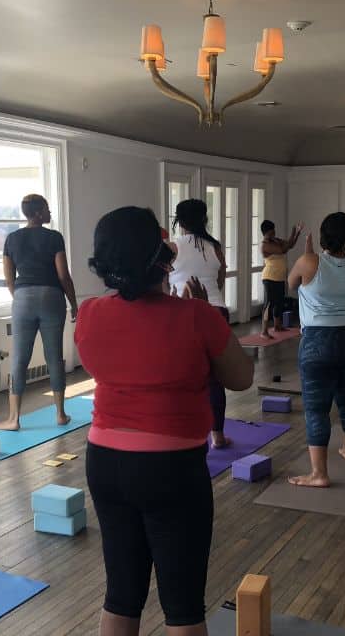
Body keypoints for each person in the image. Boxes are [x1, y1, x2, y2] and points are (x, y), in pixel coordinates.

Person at [76, 206, 254, 636]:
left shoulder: (89, 313)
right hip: (171, 470)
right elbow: (241, 378)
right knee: (183, 604)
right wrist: (205, 320)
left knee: (121, 594)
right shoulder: (196, 316)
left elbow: (107, 363)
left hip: (105, 461)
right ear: (164, 260)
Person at [286, 213, 345, 488]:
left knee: (316, 408)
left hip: (318, 339)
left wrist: (310, 256)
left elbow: (292, 284)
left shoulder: (308, 261)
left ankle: (319, 474)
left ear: (322, 236)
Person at [0, 194, 78, 430]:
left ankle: (13, 419)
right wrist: (74, 303)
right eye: (47, 209)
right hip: (52, 297)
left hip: (23, 297)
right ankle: (61, 414)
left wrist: (21, 298)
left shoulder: (12, 239)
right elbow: (63, 275)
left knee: (20, 358)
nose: (50, 212)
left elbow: (9, 278)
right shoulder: (54, 237)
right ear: (38, 212)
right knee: (54, 356)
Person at [168, 198, 233, 449]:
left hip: (183, 311)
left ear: (179, 221)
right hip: (215, 309)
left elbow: (163, 281)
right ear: (204, 219)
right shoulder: (215, 246)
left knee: (184, 373)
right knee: (215, 377)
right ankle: (217, 435)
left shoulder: (172, 247)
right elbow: (218, 282)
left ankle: (183, 432)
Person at [260, 219, 303, 338]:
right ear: (266, 232)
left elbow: (290, 244)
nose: (274, 232)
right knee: (269, 303)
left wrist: (296, 232)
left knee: (279, 302)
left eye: (274, 230)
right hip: (269, 277)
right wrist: (287, 242)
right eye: (271, 231)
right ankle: (264, 331)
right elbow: (283, 249)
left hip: (279, 277)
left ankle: (277, 326)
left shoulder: (275, 240)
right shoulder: (265, 245)